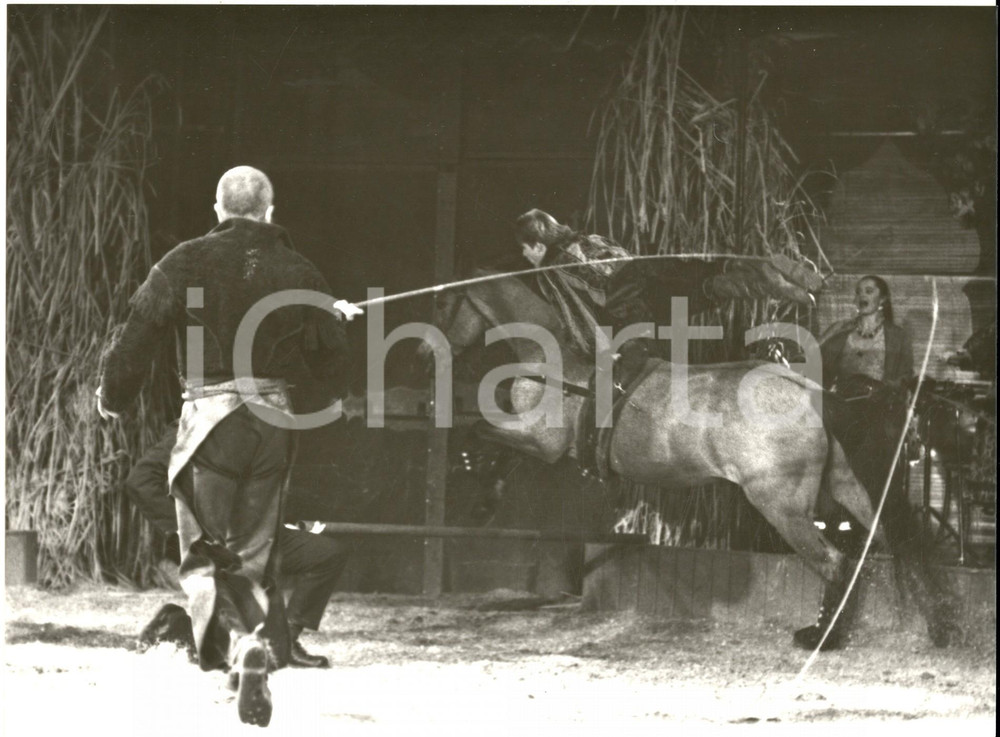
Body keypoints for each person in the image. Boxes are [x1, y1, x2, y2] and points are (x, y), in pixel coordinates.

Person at [97, 166, 355, 725]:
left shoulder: (184, 262)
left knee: (206, 553)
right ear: (270, 209)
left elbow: (136, 333)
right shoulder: (301, 270)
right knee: (254, 551)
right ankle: (250, 650)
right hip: (272, 423)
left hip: (211, 418)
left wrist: (112, 396)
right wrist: (329, 319)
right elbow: (333, 370)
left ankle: (238, 650)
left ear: (217, 208)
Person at [795, 275, 956, 650]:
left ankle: (939, 618)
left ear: (882, 298)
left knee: (886, 522)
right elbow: (813, 371)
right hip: (844, 425)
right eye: (858, 292)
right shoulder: (841, 333)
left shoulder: (897, 336)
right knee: (842, 526)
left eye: (868, 291)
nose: (860, 296)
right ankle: (830, 626)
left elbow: (903, 386)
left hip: (880, 426)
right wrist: (831, 333)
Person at [129, 420, 350, 669]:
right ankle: (173, 625)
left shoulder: (261, 427)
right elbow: (141, 481)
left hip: (259, 535)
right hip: (214, 544)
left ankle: (285, 642)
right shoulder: (194, 426)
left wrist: (287, 521)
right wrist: (190, 531)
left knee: (327, 554)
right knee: (224, 649)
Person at [515, 209, 653, 357]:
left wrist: (602, 352)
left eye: (524, 248)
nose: (524, 254)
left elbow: (582, 316)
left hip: (634, 338)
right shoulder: (594, 239)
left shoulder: (557, 268)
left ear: (539, 247)